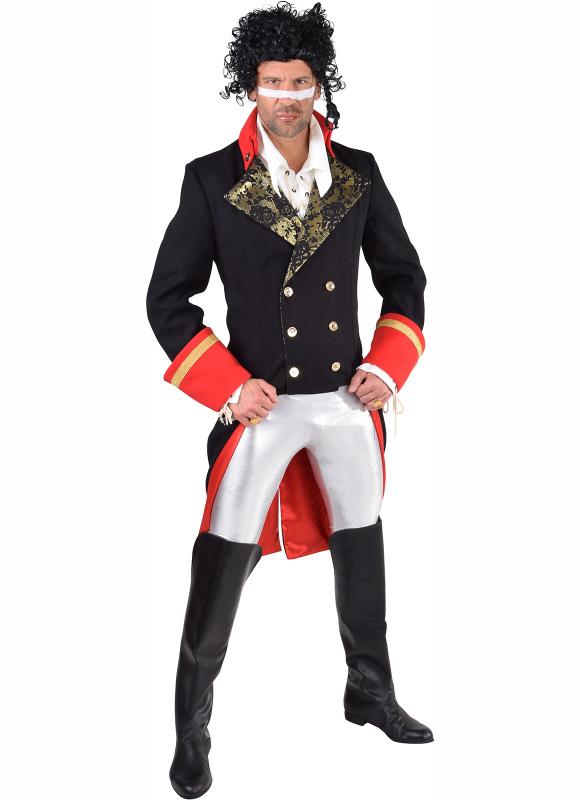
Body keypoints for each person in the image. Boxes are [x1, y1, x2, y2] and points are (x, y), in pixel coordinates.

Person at [146, 2, 433, 797]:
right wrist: (228, 385)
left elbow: (403, 277)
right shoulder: (213, 178)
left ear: (318, 86)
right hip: (261, 406)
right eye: (272, 82)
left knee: (363, 543)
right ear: (253, 86)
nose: (285, 96)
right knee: (222, 557)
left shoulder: (359, 172)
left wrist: (389, 365)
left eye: (299, 82)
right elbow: (168, 300)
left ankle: (369, 691)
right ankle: (192, 726)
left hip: (345, 402)